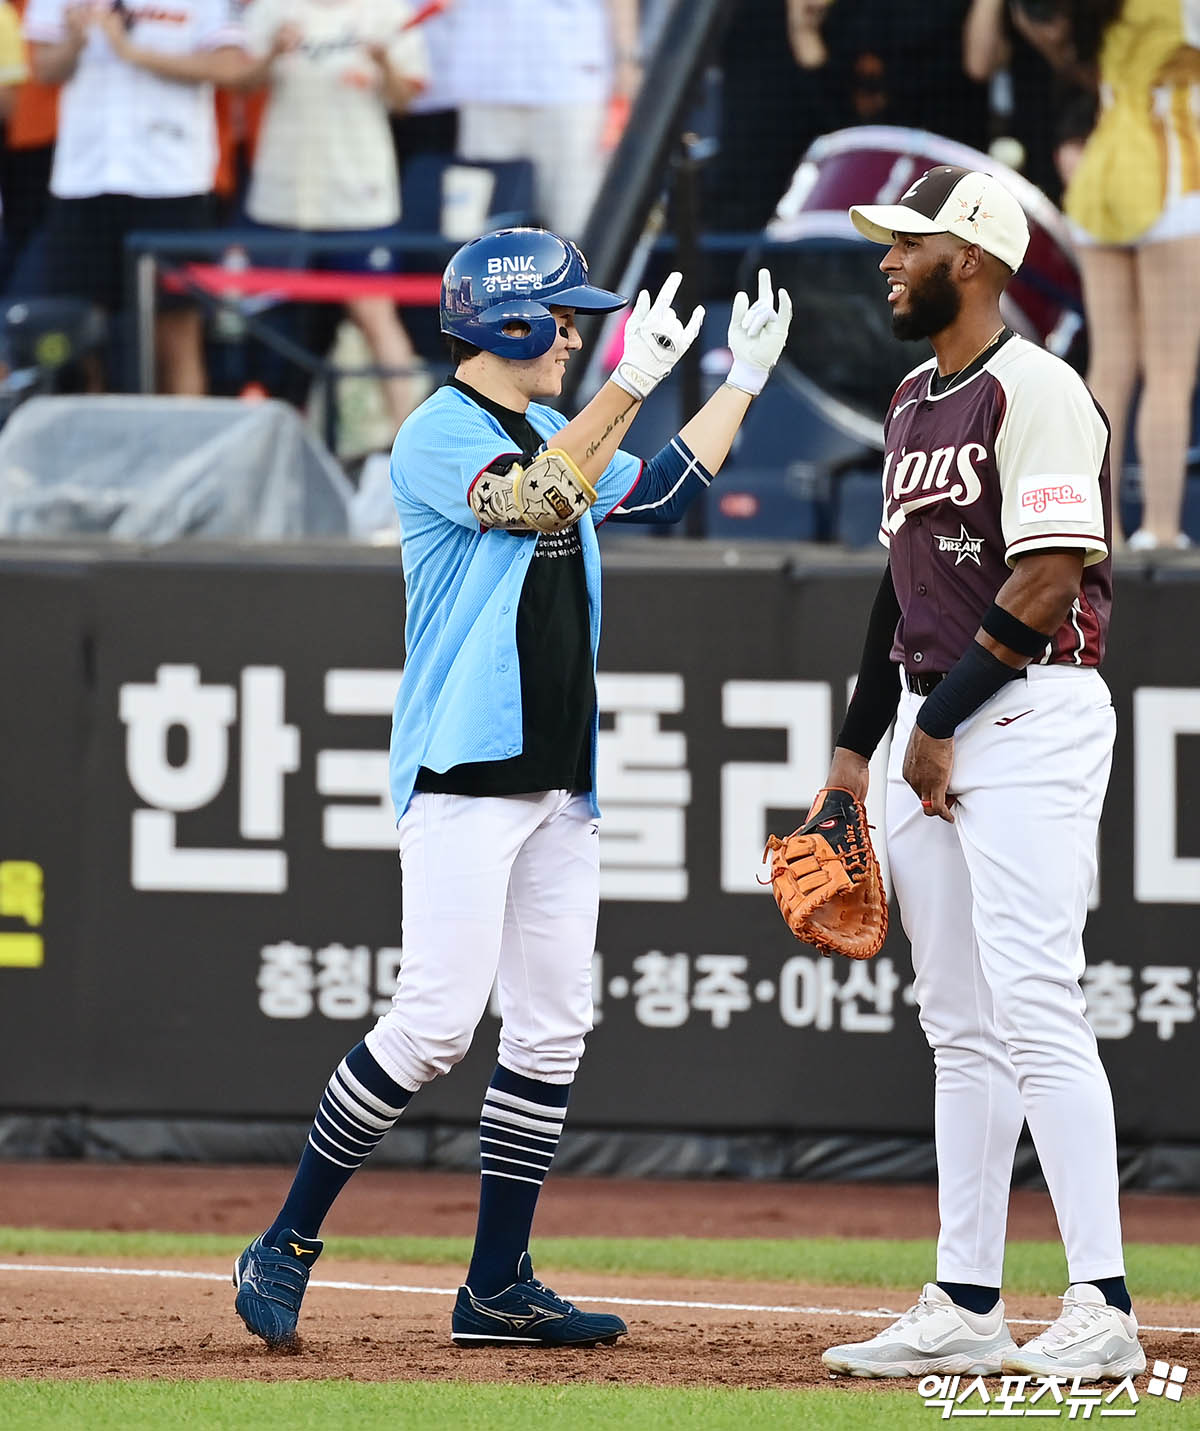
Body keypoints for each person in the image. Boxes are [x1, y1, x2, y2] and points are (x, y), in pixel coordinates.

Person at [232, 226, 792, 1351]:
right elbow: (535, 501)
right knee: (435, 1022)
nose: (576, 336)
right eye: (563, 316)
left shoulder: (550, 424)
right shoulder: (439, 430)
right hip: (468, 766)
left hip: (558, 775)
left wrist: (742, 381)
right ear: (510, 321)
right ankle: (284, 1242)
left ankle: (495, 1286)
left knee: (550, 1031)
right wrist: (632, 383)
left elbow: (656, 492)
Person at [818, 166, 1144, 1383]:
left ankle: (1104, 1303)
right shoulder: (913, 397)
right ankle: (966, 1299)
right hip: (932, 721)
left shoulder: (1039, 387)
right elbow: (897, 587)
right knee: (956, 1021)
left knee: (1035, 1001)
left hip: (1027, 714)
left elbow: (1050, 577)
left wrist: (937, 725)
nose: (888, 261)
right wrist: (856, 753)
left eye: (908, 244)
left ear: (972, 259)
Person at [1017, 0, 1200, 551]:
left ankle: (1102, 530)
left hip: (1100, 172)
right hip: (1170, 170)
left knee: (1110, 366)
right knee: (1169, 369)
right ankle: (1161, 530)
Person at [24, 0, 247, 394]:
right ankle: (92, 432)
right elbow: (43, 69)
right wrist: (76, 40)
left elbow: (230, 68)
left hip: (172, 180)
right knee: (82, 334)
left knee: (176, 334)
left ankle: (184, 436)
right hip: (85, 178)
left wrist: (131, 52)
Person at [233, 0, 431, 431]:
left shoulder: (386, 12)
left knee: (376, 317)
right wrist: (272, 54)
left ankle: (412, 447)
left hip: (358, 196)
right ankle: (272, 441)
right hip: (282, 196)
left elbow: (407, 99)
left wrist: (383, 62)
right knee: (272, 329)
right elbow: (237, 84)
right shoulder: (271, 9)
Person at [449, 0, 642, 238]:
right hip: (485, 77)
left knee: (574, 221)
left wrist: (626, 59)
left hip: (571, 79)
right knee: (482, 228)